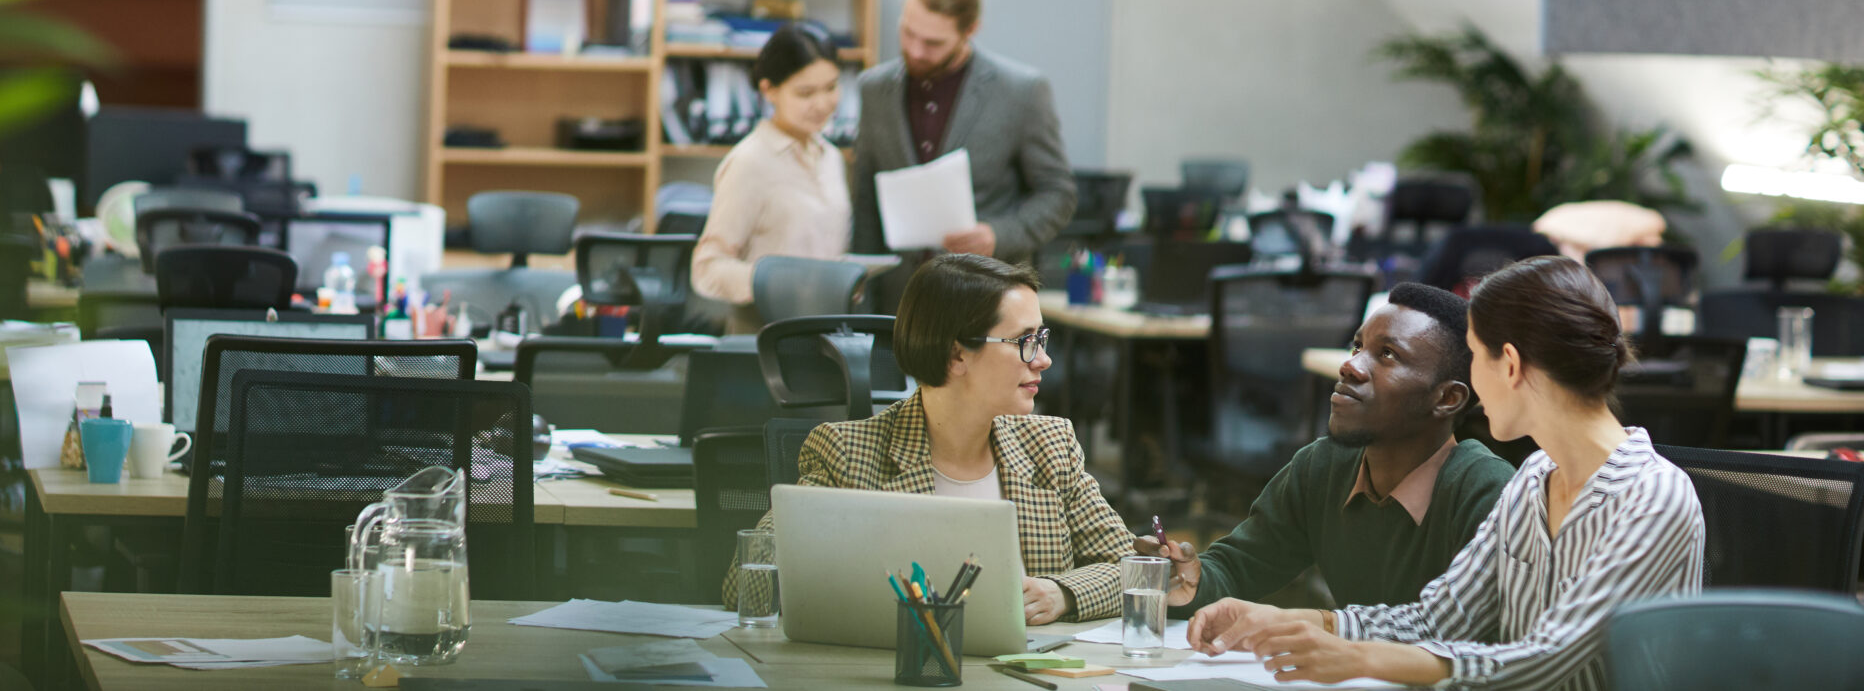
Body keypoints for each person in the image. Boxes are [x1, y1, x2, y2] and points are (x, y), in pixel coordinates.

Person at [1186, 255, 1703, 690]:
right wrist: (1292, 622)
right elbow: (1439, 617)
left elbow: (1545, 658)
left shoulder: (1653, 496)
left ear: (1509, 364)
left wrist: (1360, 658)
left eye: (1474, 356)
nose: (1471, 383)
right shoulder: (1535, 479)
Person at [726, 254, 1137, 623]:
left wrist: (1062, 593)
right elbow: (749, 586)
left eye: (1041, 340)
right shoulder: (848, 455)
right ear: (957, 355)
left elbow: (1133, 569)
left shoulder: (1050, 445)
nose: (1044, 359)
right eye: (1025, 343)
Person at [1135, 282, 1513, 611]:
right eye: (1357, 347)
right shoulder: (1324, 465)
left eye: (1388, 355)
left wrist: (1326, 628)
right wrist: (1193, 582)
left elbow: (1469, 640)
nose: (1351, 366)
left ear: (1447, 398)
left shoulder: (1487, 493)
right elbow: (1240, 566)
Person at [851, 0, 1075, 291]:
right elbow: (866, 206)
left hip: (986, 296)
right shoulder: (873, 89)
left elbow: (1058, 193)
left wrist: (998, 235)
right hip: (897, 299)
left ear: (970, 30)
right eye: (908, 32)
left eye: (933, 43)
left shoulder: (1022, 92)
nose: (915, 50)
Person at [691, 24, 851, 333]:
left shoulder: (831, 157)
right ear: (769, 90)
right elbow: (706, 269)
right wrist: (776, 281)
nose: (822, 104)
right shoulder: (749, 162)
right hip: (764, 333)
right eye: (806, 93)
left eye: (831, 87)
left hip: (826, 332)